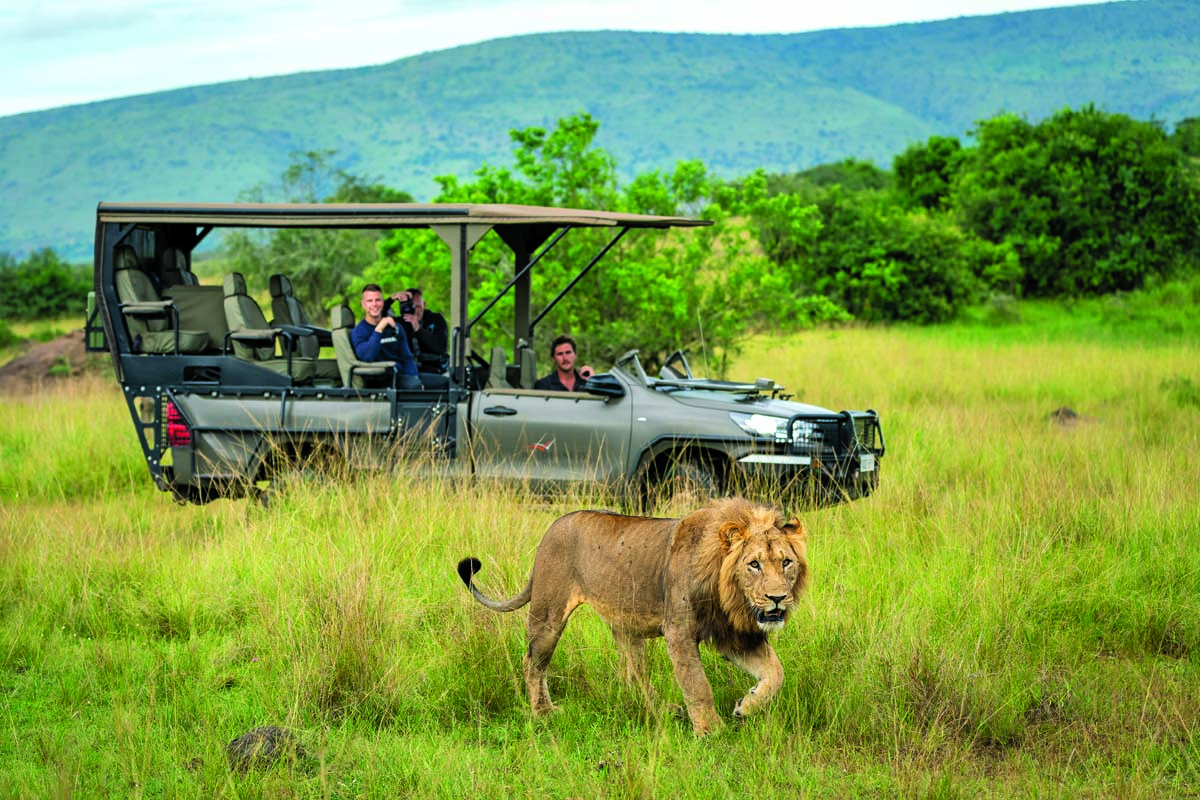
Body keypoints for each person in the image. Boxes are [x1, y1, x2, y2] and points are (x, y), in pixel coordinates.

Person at [351, 284, 447, 390]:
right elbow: (368, 356)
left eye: (378, 300)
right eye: (370, 301)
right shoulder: (359, 331)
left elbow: (407, 358)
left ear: (382, 302)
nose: (374, 304)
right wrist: (379, 329)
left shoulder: (396, 327)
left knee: (446, 383)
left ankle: (440, 406)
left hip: (403, 376)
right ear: (363, 304)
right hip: (383, 378)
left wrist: (414, 378)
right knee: (414, 386)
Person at [399, 288, 449, 376]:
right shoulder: (400, 323)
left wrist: (418, 329)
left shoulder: (436, 319)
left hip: (434, 369)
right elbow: (377, 319)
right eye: (411, 307)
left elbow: (440, 348)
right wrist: (391, 299)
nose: (415, 311)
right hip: (407, 370)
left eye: (417, 307)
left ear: (424, 305)